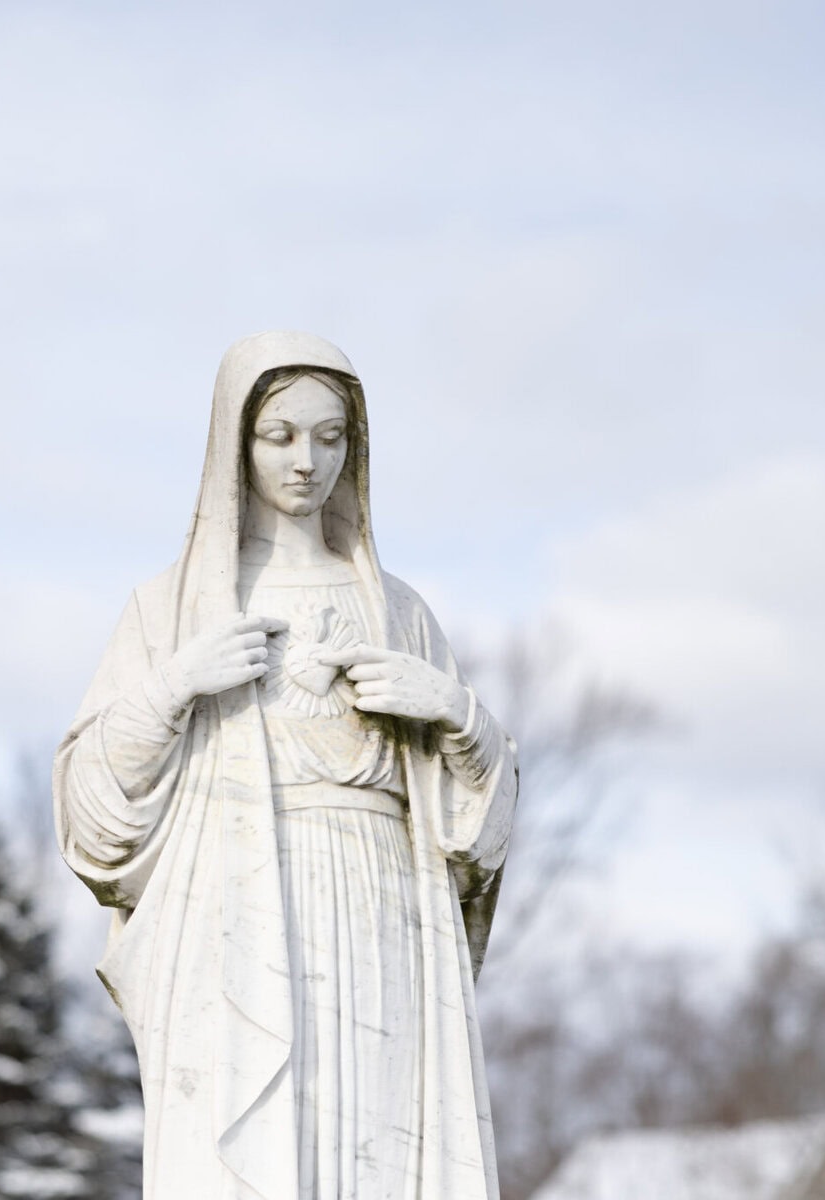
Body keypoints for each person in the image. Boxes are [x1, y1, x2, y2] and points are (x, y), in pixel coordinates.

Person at [54, 331, 517, 1199]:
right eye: (281, 435)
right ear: (238, 440)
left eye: (331, 436)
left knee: (381, 1152)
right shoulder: (171, 607)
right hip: (236, 910)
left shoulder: (401, 611)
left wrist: (456, 714)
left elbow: (478, 837)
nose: (308, 461)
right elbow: (92, 815)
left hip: (385, 912)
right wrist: (176, 687)